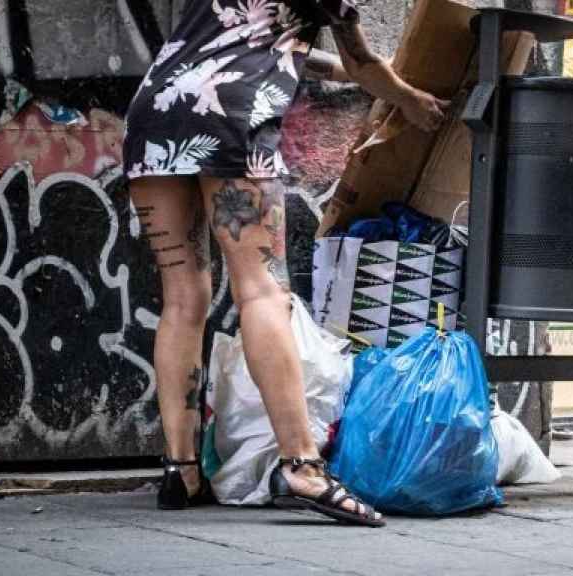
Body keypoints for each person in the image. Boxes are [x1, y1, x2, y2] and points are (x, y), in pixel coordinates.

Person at [122, 0, 448, 526]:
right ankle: (302, 465)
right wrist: (409, 100)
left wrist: (346, 71)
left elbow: (263, 39)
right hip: (230, 118)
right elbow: (360, 59)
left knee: (184, 296)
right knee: (262, 289)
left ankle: (179, 469)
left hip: (155, 112)